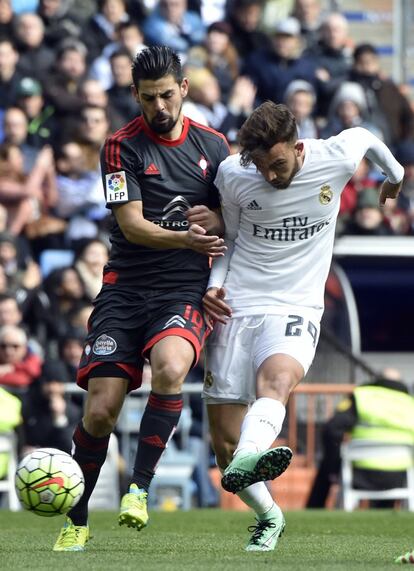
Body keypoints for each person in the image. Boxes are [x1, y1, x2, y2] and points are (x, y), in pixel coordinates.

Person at [202, 101, 404, 552]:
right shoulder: (234, 175)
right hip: (238, 303)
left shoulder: (334, 155)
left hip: (297, 305)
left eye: (277, 164)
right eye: (262, 167)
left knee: (276, 382)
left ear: (297, 147)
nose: (271, 177)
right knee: (224, 445)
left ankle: (252, 456)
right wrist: (215, 286)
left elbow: (368, 136)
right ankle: (269, 515)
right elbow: (231, 241)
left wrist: (395, 176)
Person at [52, 45, 229, 552]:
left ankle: (139, 490)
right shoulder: (119, 145)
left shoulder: (215, 148)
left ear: (185, 89)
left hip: (182, 290)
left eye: (168, 95)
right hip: (125, 289)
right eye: (149, 98)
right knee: (101, 411)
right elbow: (131, 226)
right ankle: (78, 517)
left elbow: (237, 219)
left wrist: (217, 228)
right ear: (135, 95)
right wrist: (189, 237)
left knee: (171, 367)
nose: (160, 107)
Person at [306, 368, 414, 509]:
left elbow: (331, 429)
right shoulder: (409, 402)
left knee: (327, 466)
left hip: (360, 473)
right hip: (400, 476)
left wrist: (333, 464)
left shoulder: (362, 396)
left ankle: (315, 507)